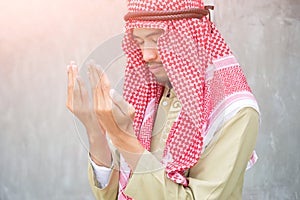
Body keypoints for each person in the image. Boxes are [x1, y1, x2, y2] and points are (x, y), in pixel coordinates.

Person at [66, 0, 260, 199]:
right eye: (140, 42)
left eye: (158, 39)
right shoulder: (149, 94)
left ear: (190, 35)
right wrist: (95, 131)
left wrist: (124, 137)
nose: (146, 54)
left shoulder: (235, 111)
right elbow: (114, 195)